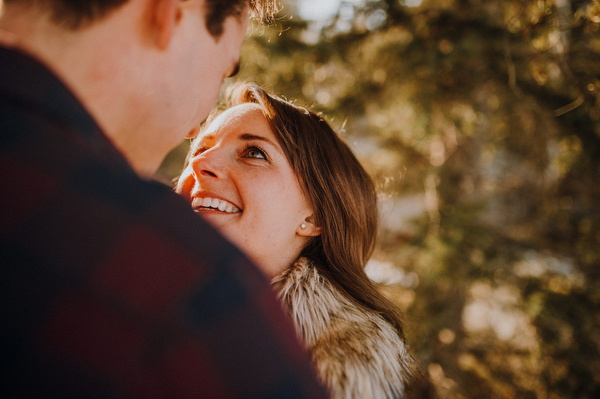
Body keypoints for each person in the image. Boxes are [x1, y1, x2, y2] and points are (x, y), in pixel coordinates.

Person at [0, 1, 328, 397]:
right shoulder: (191, 294)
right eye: (222, 70)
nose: (193, 130)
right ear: (170, 14)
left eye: (254, 153)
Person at [177, 82, 418, 398]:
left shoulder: (337, 366)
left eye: (254, 153)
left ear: (314, 218)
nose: (199, 162)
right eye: (202, 148)